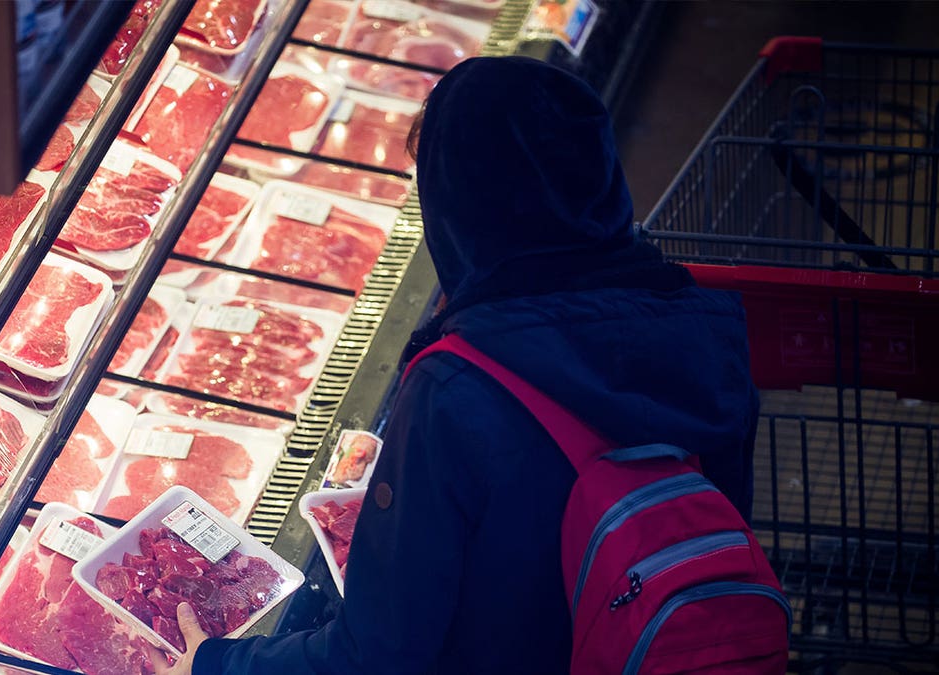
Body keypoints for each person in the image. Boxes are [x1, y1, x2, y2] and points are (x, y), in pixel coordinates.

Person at [146, 54, 760, 675]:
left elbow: (382, 656)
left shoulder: (458, 386)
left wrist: (217, 664)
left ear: (459, 211)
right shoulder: (703, 325)